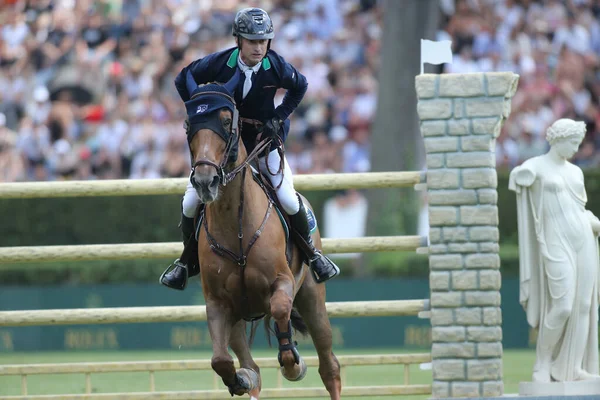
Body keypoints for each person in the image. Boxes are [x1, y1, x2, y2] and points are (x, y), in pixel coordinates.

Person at [159, 7, 340, 291]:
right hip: (223, 149)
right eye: (252, 40)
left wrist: (279, 117)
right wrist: (200, 110)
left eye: (263, 40)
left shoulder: (276, 66)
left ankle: (313, 255)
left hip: (262, 141)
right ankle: (186, 261)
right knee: (190, 202)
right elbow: (183, 78)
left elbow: (300, 87)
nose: (259, 47)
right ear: (238, 41)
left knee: (289, 199)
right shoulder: (220, 63)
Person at [509, 118, 600, 382]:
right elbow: (519, 177)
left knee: (584, 306)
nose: (575, 148)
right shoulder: (537, 166)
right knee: (562, 306)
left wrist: (592, 221)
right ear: (558, 139)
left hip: (583, 237)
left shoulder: (576, 172)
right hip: (555, 242)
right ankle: (543, 362)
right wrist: (519, 175)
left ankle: (572, 368)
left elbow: (578, 208)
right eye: (572, 143)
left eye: (578, 143)